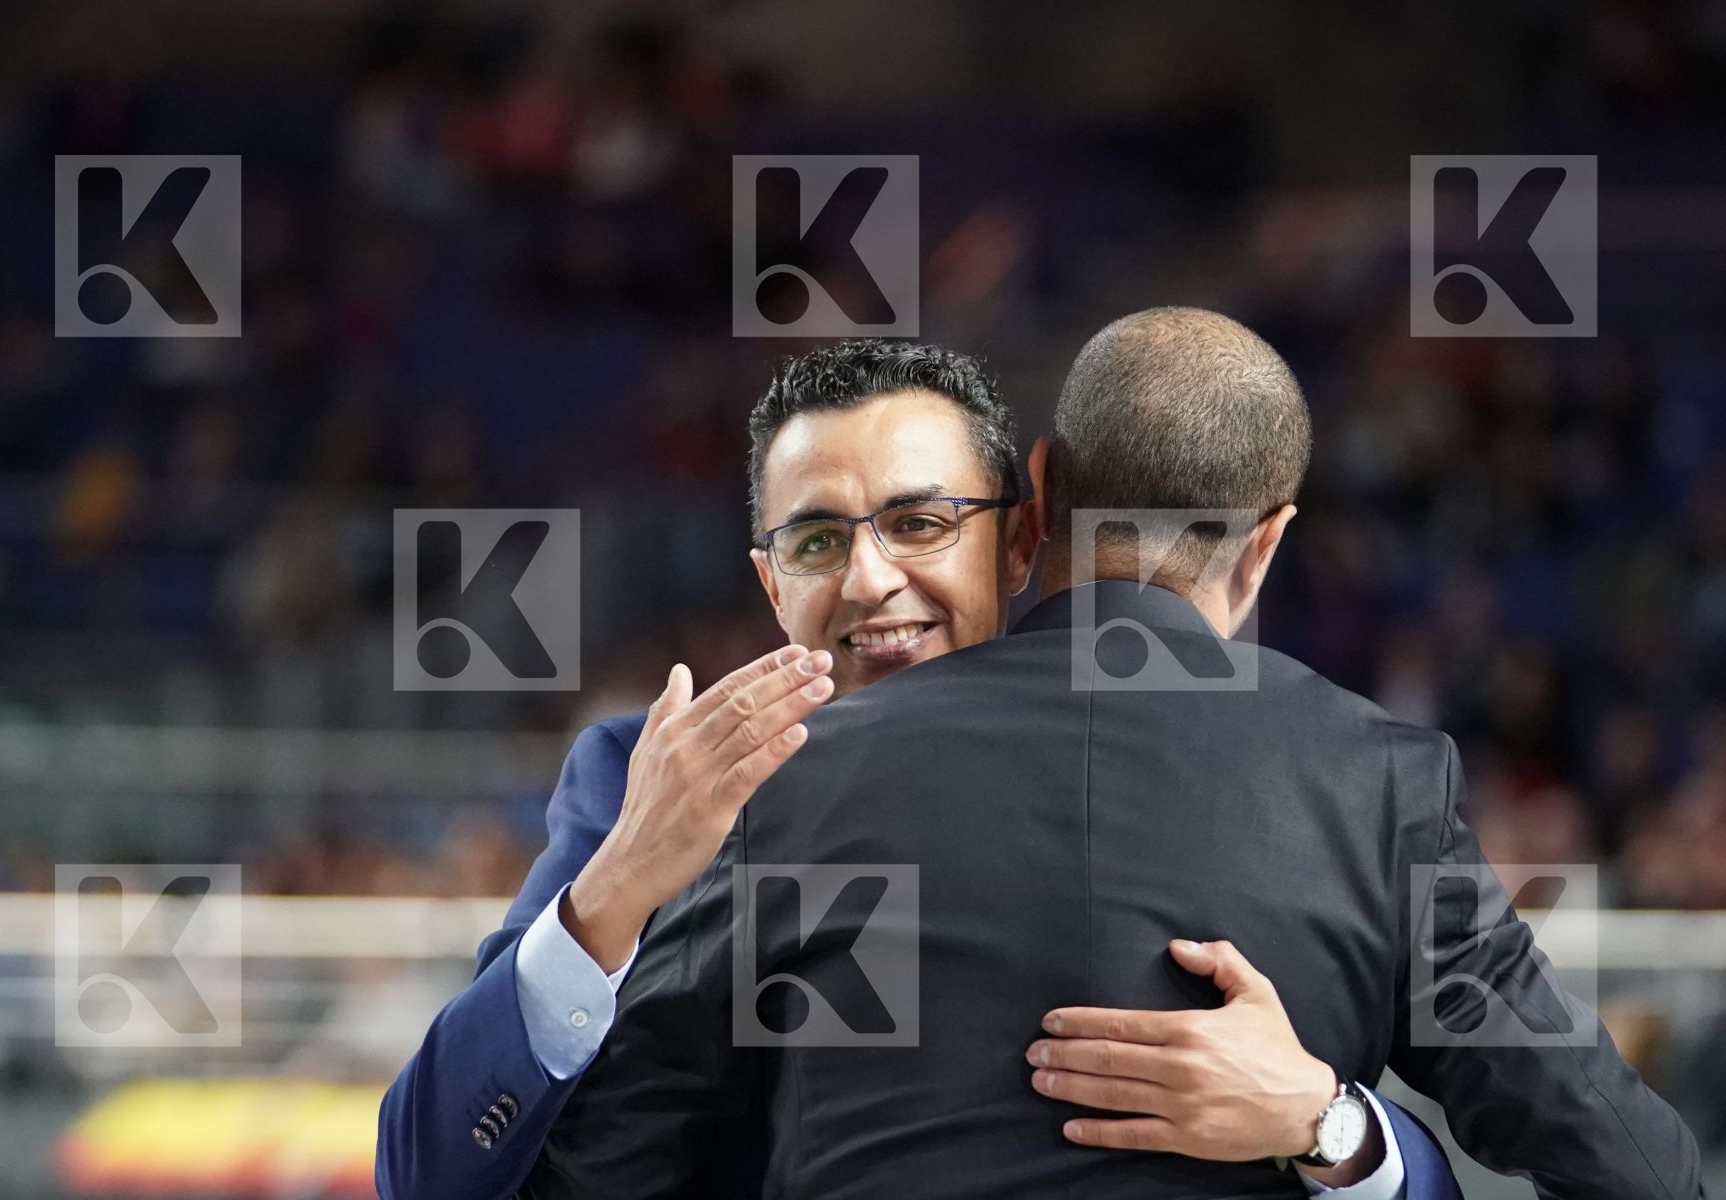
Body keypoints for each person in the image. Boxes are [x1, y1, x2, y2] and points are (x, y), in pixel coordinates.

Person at [521, 314, 1703, 1198]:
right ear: (1273, 534)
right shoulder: (1379, 783)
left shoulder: (790, 773)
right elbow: (1638, 1171)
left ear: (1039, 489)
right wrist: (1335, 1127)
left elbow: (596, 1165)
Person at [377, 340, 1460, 1200]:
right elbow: (428, 1174)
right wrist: (614, 892)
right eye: (814, 544)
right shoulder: (640, 780)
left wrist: (1336, 1128)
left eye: (920, 522)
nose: (869, 580)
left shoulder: (1231, 785)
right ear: (768, 583)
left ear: (1023, 540)